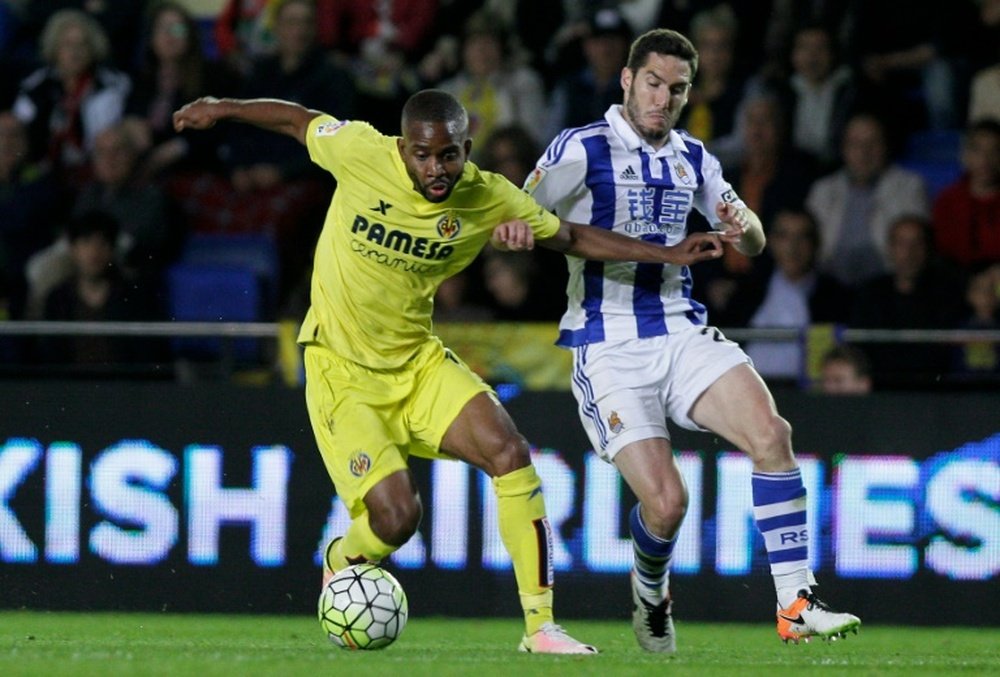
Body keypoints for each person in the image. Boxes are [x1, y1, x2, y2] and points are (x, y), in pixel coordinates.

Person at [172, 88, 725, 654]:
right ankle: (344, 558)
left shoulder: (488, 197)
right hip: (342, 370)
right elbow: (296, 121)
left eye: (448, 156)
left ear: (466, 147)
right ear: (403, 147)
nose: (435, 169)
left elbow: (571, 237)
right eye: (421, 155)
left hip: (416, 360)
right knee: (397, 518)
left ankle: (540, 628)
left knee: (508, 452)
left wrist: (668, 253)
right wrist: (222, 108)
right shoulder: (360, 151)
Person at [524, 27, 861, 653]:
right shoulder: (581, 148)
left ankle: (796, 601)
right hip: (609, 345)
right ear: (627, 80)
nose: (663, 99)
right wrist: (519, 230)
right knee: (668, 504)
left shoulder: (694, 157)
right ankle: (650, 590)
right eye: (653, 84)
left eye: (676, 90)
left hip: (681, 330)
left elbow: (752, 239)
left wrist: (746, 225)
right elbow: (520, 217)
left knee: (772, 435)